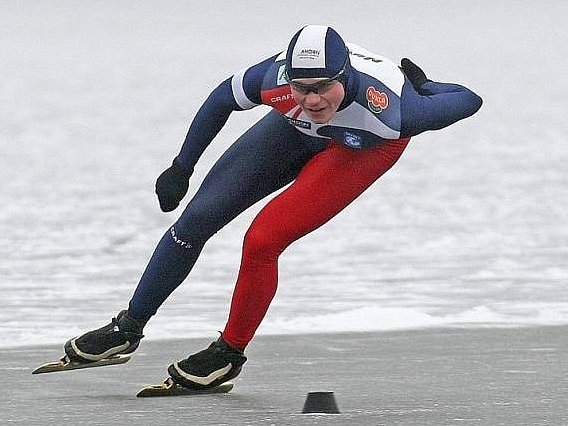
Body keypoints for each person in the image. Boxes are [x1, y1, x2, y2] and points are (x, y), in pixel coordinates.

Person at [64, 25, 482, 389]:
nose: (314, 98)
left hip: (362, 148)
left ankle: (227, 355)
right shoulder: (274, 79)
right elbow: (218, 101)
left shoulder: (392, 112)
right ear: (289, 78)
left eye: (322, 87)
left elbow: (469, 99)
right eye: (302, 87)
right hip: (292, 130)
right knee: (193, 222)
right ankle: (128, 328)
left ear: (344, 77)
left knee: (262, 241)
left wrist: (426, 89)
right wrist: (181, 166)